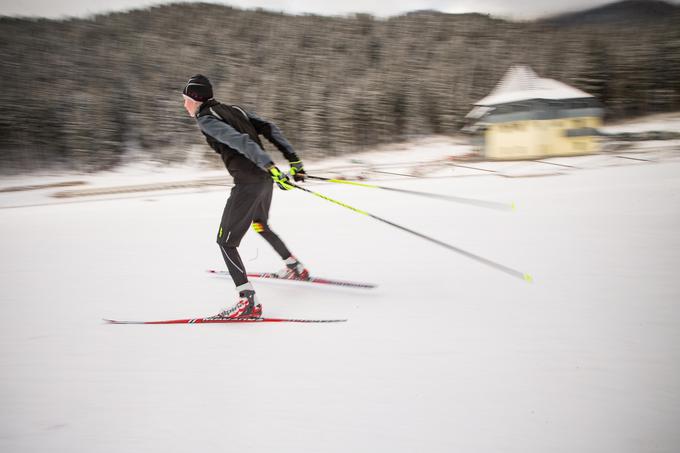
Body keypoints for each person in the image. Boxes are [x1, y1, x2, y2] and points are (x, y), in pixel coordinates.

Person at [182, 74, 309, 319]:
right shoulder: (234, 109)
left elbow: (240, 142)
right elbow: (270, 128)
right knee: (260, 224)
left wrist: (271, 166)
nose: (184, 104)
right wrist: (293, 159)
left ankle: (247, 302)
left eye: (186, 99)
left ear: (196, 99)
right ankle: (295, 267)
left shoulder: (206, 119)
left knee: (225, 242)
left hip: (250, 183)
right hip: (264, 180)